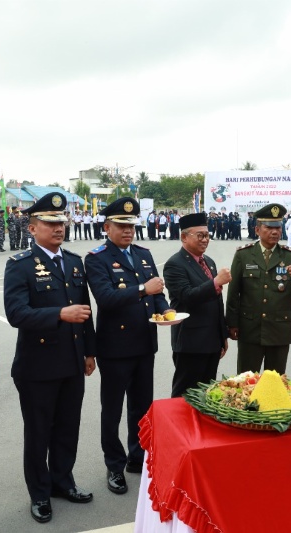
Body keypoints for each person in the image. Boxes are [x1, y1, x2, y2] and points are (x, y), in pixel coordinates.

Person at [3, 193, 97, 524]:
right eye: (50, 223)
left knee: (67, 427)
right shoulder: (20, 265)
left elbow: (85, 311)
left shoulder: (73, 262)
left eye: (61, 222)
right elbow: (16, 313)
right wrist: (59, 313)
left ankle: (62, 481)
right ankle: (40, 493)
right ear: (32, 228)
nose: (59, 228)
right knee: (39, 431)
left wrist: (89, 351)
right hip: (38, 365)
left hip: (72, 361)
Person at [85, 197, 171, 495]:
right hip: (115, 347)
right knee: (112, 409)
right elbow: (106, 298)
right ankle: (114, 465)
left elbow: (157, 291)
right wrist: (141, 290)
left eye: (131, 225)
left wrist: (166, 310)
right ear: (107, 226)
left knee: (142, 407)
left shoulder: (143, 254)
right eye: (121, 225)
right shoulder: (97, 258)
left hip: (144, 343)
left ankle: (139, 456)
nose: (128, 231)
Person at [225, 203, 291, 374]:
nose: (275, 232)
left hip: (278, 330)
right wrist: (232, 323)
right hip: (250, 329)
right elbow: (234, 292)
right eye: (269, 227)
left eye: (278, 228)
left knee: (275, 382)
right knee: (246, 380)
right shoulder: (243, 255)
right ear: (257, 230)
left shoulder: (290, 255)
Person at [163, 212, 231, 397]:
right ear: (184, 237)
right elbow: (186, 296)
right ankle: (179, 426)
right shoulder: (175, 264)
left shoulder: (208, 261)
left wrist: (222, 335)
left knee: (208, 393)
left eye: (207, 235)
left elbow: (217, 302)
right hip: (190, 342)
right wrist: (216, 282)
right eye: (200, 235)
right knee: (184, 394)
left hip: (212, 341)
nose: (205, 240)